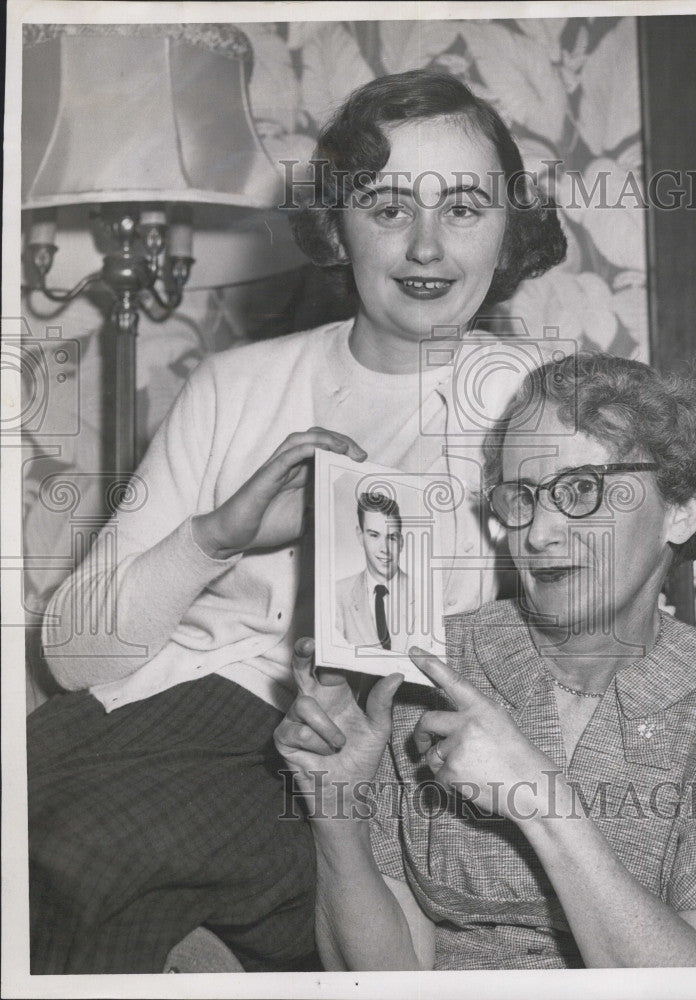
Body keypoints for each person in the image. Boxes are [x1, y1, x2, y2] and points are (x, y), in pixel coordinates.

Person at [27, 69, 567, 973]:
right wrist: (215, 538)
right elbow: (73, 657)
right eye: (388, 207)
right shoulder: (234, 385)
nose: (425, 245)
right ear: (336, 224)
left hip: (361, 766)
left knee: (88, 853)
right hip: (150, 717)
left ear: (508, 227)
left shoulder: (542, 403)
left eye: (464, 207)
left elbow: (595, 655)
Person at [275, 352, 696, 971]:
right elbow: (387, 975)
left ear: (681, 510)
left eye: (579, 490)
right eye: (520, 498)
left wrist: (539, 799)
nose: (537, 533)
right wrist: (339, 813)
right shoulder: (432, 668)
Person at [334, 493, 419, 653]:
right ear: (360, 536)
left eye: (392, 538)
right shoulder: (338, 594)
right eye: (374, 535)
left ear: (401, 542)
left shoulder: (424, 593)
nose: (384, 549)